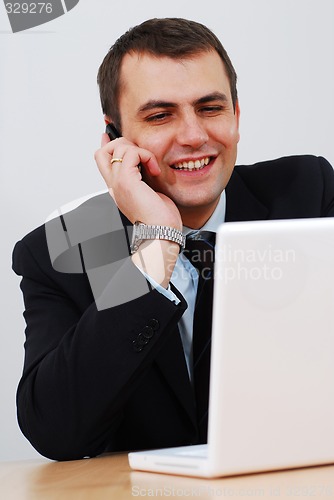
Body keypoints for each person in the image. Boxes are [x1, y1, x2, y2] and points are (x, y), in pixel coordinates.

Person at [12, 18, 334, 461]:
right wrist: (157, 244)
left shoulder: (309, 191)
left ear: (236, 117)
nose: (194, 136)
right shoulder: (63, 248)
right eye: (160, 115)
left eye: (210, 108)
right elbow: (56, 433)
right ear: (115, 138)